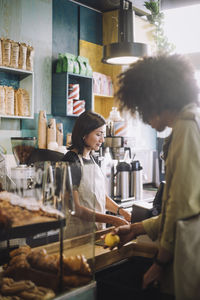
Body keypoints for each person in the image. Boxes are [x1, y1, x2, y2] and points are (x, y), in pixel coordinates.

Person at [108, 54, 200, 298]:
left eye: (141, 108)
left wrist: (159, 264)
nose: (143, 118)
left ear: (154, 99)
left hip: (191, 256)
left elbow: (182, 211)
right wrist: (138, 228)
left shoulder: (186, 129)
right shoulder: (191, 123)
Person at [62, 111, 131, 238]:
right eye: (98, 134)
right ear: (84, 134)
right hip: (77, 237)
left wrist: (121, 211)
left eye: (103, 135)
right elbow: (76, 208)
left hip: (96, 233)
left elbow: (100, 197)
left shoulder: (93, 158)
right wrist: (113, 220)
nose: (102, 140)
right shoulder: (71, 161)